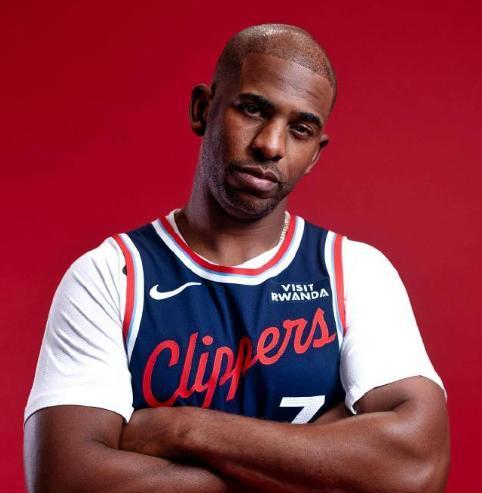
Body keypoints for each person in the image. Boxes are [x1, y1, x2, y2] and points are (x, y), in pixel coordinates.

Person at [24, 23, 450, 493]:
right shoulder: (113, 275)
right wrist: (322, 467)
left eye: (300, 129)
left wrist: (181, 429)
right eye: (252, 109)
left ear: (314, 154)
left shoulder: (354, 273)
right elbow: (65, 480)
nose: (271, 144)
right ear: (202, 109)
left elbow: (416, 469)